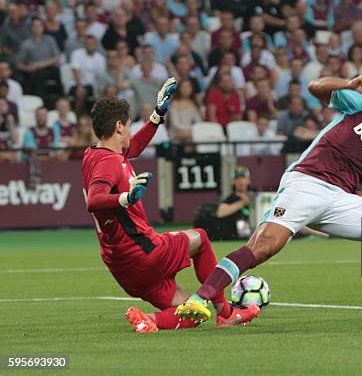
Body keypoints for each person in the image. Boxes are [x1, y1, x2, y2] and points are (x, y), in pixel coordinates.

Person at [175, 75, 362, 325]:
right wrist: (347, 84)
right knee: (264, 247)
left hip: (339, 200)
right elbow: (315, 87)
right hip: (307, 182)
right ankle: (198, 300)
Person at [82, 78, 259, 334]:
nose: (131, 133)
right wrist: (126, 198)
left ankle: (148, 320)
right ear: (119, 126)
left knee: (193, 313)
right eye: (129, 127)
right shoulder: (110, 162)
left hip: (122, 267)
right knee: (201, 237)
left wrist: (156, 116)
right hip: (144, 252)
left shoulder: (93, 154)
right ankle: (226, 313)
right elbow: (94, 200)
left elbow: (134, 147)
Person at [216, 166, 253, 239]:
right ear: (234, 181)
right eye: (238, 179)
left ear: (248, 180)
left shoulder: (255, 196)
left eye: (243, 178)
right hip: (236, 237)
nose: (241, 181)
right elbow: (220, 212)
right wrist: (242, 203)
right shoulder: (231, 198)